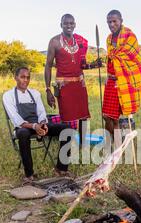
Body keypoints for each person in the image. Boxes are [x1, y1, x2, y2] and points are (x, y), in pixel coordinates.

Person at [3, 67, 73, 185]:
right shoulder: (8, 95)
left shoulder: (35, 93)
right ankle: (29, 174)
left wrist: (42, 125)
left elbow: (41, 113)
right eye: (22, 77)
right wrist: (34, 126)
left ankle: (62, 169)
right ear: (15, 78)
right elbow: (16, 118)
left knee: (67, 130)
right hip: (23, 127)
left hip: (38, 124)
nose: (25, 80)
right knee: (23, 134)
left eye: (28, 77)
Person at [45, 14, 102, 145]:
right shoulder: (54, 42)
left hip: (80, 84)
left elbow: (82, 65)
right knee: (66, 117)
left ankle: (82, 143)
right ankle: (66, 146)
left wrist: (94, 65)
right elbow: (48, 66)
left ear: (75, 25)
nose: (69, 26)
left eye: (71, 23)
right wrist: (48, 89)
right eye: (66, 23)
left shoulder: (80, 41)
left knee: (83, 116)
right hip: (63, 85)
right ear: (61, 25)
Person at [103, 10, 141, 148]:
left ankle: (117, 147)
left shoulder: (129, 36)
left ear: (121, 20)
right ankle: (111, 144)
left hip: (123, 82)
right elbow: (111, 59)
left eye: (114, 21)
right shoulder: (109, 39)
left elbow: (134, 61)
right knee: (106, 115)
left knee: (114, 117)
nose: (111, 24)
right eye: (109, 21)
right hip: (110, 81)